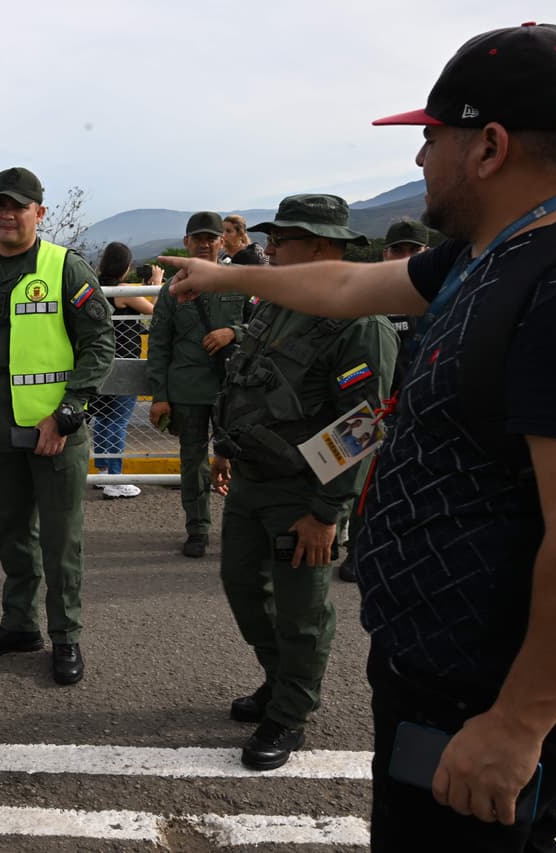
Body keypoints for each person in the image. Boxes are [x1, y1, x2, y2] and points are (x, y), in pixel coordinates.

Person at [159, 22, 556, 850]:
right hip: (437, 669)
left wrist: (516, 726)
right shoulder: (494, 254)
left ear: (490, 147)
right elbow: (346, 282)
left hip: (483, 693)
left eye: (431, 138)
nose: (418, 163)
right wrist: (227, 274)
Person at [191, 195, 398, 771]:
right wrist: (224, 448)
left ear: (325, 247)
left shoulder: (361, 323)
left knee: (301, 609)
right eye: (275, 237)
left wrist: (327, 512)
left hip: (303, 492)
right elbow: (246, 381)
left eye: (286, 238)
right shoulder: (278, 303)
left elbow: (361, 425)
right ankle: (281, 681)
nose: (273, 248)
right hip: (253, 477)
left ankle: (291, 711)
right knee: (241, 586)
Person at [0, 167, 115, 686]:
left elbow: (100, 344)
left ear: (39, 213)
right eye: (0, 205)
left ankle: (66, 637)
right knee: (13, 535)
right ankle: (19, 626)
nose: (8, 215)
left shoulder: (66, 269)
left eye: (20, 206)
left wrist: (67, 413)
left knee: (61, 541)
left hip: (55, 430)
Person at [146, 211, 246, 558]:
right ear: (186, 242)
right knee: (192, 461)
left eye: (211, 238)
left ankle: (241, 529)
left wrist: (234, 331)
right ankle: (198, 529)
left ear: (222, 241)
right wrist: (159, 396)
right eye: (198, 238)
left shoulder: (241, 280)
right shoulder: (172, 289)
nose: (205, 244)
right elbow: (158, 345)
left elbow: (265, 326)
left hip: (234, 388)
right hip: (187, 389)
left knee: (243, 459)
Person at [338, 219, 429, 582]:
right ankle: (351, 549)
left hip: (416, 409)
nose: (405, 257)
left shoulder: (440, 294)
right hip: (364, 407)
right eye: (399, 249)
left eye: (414, 250)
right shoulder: (366, 293)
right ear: (385, 252)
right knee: (351, 481)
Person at [91, 241, 154, 499]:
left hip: (101, 361)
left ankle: (104, 472)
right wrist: (154, 285)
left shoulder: (98, 288)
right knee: (119, 419)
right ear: (125, 267)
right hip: (125, 362)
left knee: (104, 417)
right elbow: (156, 312)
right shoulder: (125, 290)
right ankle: (115, 478)